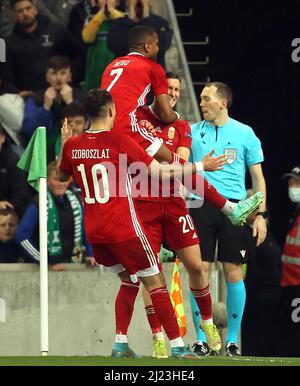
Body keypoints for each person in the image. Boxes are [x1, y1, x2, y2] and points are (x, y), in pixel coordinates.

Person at [57, 88, 216, 358]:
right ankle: (178, 347)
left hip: (95, 233)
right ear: (110, 111)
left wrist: (65, 143)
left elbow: (62, 177)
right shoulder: (120, 141)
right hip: (123, 228)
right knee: (155, 282)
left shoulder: (73, 145)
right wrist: (200, 166)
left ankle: (120, 344)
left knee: (130, 280)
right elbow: (159, 171)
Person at [101, 25, 263, 228]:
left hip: (105, 128)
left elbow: (106, 99)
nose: (159, 49)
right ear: (147, 46)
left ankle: (156, 239)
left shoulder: (112, 65)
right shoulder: (152, 68)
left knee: (142, 177)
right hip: (127, 130)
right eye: (158, 44)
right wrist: (173, 119)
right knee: (179, 168)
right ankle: (231, 209)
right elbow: (165, 113)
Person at [135, 72, 221, 358]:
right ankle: (158, 336)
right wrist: (191, 166)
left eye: (176, 89)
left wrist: (182, 166)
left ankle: (207, 323)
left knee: (196, 265)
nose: (172, 93)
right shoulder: (137, 118)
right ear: (156, 92)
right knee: (153, 274)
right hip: (143, 203)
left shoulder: (182, 125)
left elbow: (181, 162)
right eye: (168, 88)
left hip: (173, 202)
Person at [189, 81, 267, 356]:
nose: (201, 103)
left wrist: (261, 216)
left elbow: (257, 178)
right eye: (200, 98)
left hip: (235, 208)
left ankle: (232, 341)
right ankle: (202, 338)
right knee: (200, 271)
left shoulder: (245, 133)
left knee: (232, 271)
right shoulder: (191, 132)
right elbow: (179, 167)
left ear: (222, 102)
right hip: (199, 205)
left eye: (206, 98)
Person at [15, 161, 95, 270]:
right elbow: (21, 236)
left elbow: (86, 230)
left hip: (73, 264)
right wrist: (42, 261)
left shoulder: (76, 200)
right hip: (46, 270)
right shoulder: (39, 202)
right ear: (46, 180)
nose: (61, 183)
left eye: (64, 179)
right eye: (56, 179)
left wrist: (90, 254)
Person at [4, 0, 84, 93]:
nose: (25, 13)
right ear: (13, 15)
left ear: (35, 9)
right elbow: (7, 78)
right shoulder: (9, 43)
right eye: (20, 11)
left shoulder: (57, 30)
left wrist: (70, 78)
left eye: (28, 8)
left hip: (64, 92)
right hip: (30, 99)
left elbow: (79, 55)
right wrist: (18, 93)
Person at [22, 55, 84, 162]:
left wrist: (71, 104)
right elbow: (28, 131)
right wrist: (45, 108)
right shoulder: (36, 99)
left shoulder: (81, 97)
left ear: (70, 76)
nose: (59, 77)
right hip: (43, 152)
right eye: (54, 73)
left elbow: (88, 128)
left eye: (63, 73)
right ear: (47, 77)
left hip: (76, 150)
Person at [107, 0, 172, 67]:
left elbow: (162, 46)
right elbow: (116, 47)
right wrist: (131, 19)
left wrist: (146, 18)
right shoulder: (117, 24)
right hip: (126, 72)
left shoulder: (161, 23)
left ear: (150, 2)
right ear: (126, 3)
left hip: (152, 72)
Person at [279, 166, 300, 357]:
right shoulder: (296, 213)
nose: (292, 187)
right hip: (291, 283)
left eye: (296, 183)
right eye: (290, 183)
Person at [81, 0, 124, 90]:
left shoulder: (124, 18)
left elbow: (127, 32)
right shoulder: (91, 19)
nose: (106, 1)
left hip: (118, 69)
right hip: (96, 71)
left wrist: (113, 13)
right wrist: (100, 15)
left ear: (117, 2)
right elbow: (87, 38)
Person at [0, 123, 34, 216]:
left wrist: (6, 209)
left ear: (2, 138)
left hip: (17, 209)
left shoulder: (14, 160)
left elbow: (22, 194)